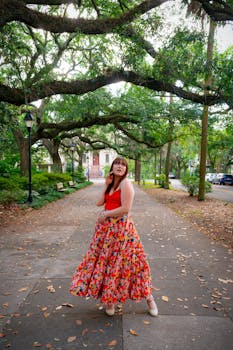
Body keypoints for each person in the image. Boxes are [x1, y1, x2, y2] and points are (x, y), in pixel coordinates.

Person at [70, 156, 158, 317]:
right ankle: (109, 300)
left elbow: (125, 208)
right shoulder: (113, 184)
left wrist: (106, 214)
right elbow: (99, 202)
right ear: (112, 167)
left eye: (123, 165)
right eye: (117, 164)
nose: (119, 166)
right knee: (107, 264)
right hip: (106, 230)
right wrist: (106, 185)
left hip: (122, 230)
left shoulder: (126, 183)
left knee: (133, 264)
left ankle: (149, 298)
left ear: (126, 169)